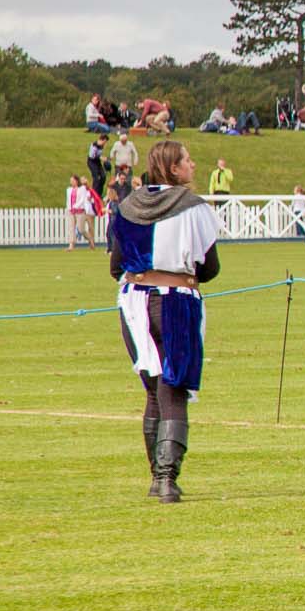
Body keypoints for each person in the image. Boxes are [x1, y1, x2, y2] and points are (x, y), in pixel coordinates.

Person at [107, 139, 223, 503]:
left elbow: (116, 266)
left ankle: (157, 477)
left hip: (134, 305)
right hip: (176, 304)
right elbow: (210, 267)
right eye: (187, 161)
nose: (193, 165)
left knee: (154, 390)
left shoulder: (127, 207)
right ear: (173, 168)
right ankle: (166, 478)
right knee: (173, 388)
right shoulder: (192, 208)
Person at [66, 175, 93, 250]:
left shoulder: (82, 189)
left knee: (81, 229)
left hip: (80, 211)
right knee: (71, 228)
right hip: (71, 211)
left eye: (73, 180)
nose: (71, 182)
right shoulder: (69, 189)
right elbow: (68, 200)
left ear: (76, 181)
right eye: (70, 181)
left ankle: (90, 239)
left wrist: (76, 206)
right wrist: (69, 208)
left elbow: (82, 199)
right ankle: (71, 244)